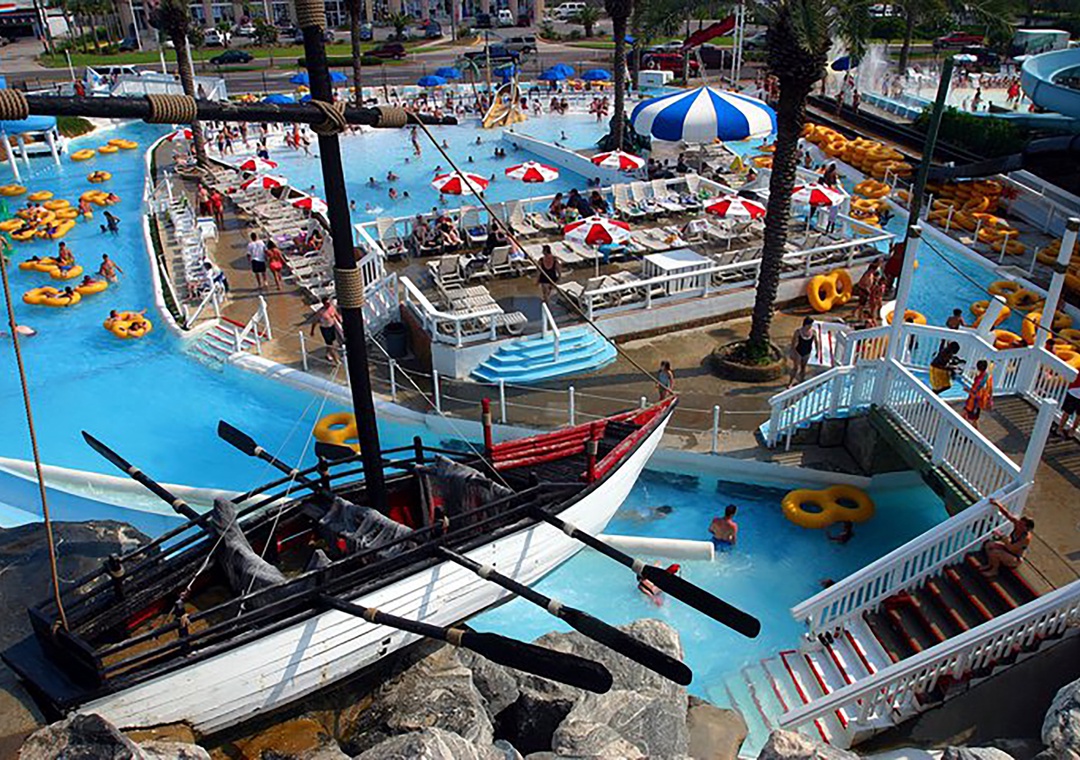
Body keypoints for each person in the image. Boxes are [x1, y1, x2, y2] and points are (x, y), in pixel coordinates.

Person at [975, 499, 1033, 577]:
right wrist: (998, 504)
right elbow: (1007, 514)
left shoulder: (1026, 538)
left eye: (1022, 525)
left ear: (1026, 528)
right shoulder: (1017, 524)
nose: (1019, 525)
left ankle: (994, 570)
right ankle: (989, 565)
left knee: (995, 552)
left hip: (1015, 557)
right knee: (989, 545)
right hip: (1007, 548)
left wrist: (1002, 537)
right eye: (1020, 523)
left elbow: (1011, 548)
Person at [788, 317, 820, 388]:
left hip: (807, 352)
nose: (810, 326)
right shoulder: (798, 332)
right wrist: (792, 352)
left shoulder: (813, 332)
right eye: (809, 325)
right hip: (798, 351)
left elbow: (816, 342)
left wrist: (817, 352)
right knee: (796, 368)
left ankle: (801, 381)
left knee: (803, 367)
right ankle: (790, 382)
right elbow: (793, 343)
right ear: (805, 324)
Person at [312, 296, 343, 365]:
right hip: (325, 329)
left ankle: (328, 353)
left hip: (332, 327)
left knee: (333, 341)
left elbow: (336, 315)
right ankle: (336, 360)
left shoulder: (332, 308)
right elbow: (315, 321)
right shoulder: (320, 312)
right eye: (327, 303)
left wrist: (341, 322)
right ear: (323, 304)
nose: (329, 304)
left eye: (329, 303)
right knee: (330, 344)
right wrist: (312, 331)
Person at [963, 359, 993, 429]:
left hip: (973, 402)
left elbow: (974, 392)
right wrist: (990, 399)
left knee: (970, 417)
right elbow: (990, 389)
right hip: (982, 401)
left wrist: (967, 390)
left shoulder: (979, 380)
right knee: (972, 418)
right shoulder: (989, 377)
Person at [1053, 371, 1080, 438]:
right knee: (1078, 416)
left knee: (1067, 412)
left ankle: (1059, 429)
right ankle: (1072, 432)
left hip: (1073, 392)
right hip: (1074, 392)